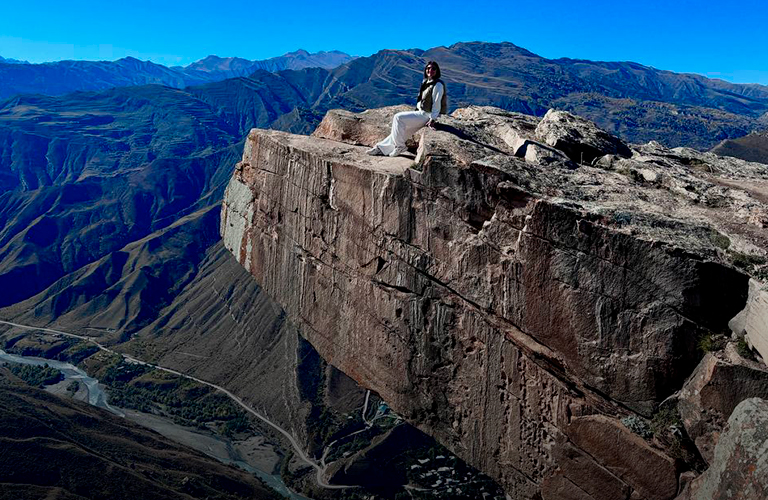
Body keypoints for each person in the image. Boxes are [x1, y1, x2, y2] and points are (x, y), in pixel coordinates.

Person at [367, 61, 447, 157]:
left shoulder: (438, 85)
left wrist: (432, 119)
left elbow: (436, 103)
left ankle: (400, 146)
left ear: (437, 71)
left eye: (433, 69)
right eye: (428, 68)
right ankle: (380, 148)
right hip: (420, 112)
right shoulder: (426, 82)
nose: (430, 70)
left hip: (426, 115)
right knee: (398, 133)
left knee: (398, 117)